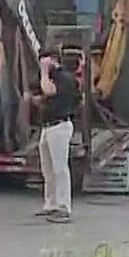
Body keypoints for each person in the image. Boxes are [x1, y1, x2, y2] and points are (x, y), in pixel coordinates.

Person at [33, 49, 78, 223]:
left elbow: (49, 91)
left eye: (43, 60)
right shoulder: (53, 78)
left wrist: (44, 71)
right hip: (47, 126)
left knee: (60, 168)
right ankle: (50, 203)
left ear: (52, 60)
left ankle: (63, 206)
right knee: (48, 169)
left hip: (59, 125)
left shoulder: (63, 77)